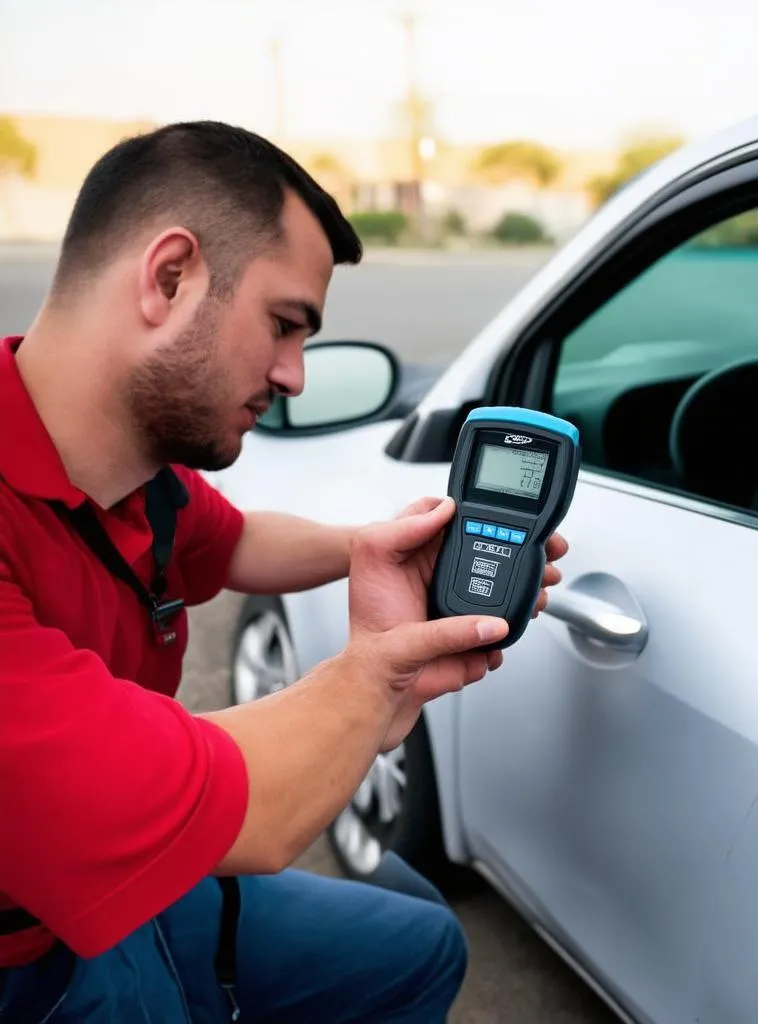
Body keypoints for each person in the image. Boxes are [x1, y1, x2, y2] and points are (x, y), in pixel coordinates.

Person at [0, 120, 568, 1022]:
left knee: (419, 944)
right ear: (170, 276)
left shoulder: (140, 472)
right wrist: (378, 671)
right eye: (284, 324)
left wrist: (382, 545)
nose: (296, 376)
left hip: (138, 881)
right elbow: (253, 818)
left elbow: (235, 544)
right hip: (27, 949)